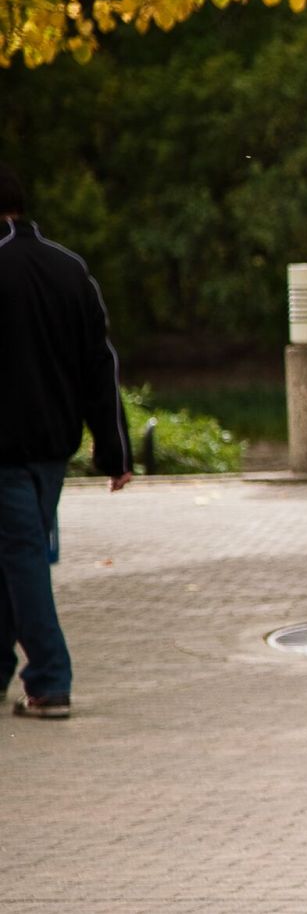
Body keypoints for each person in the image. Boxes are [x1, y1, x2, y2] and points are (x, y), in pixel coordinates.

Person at [0, 162, 133, 722]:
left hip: (6, 451)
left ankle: (50, 679)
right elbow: (98, 366)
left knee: (21, 559)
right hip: (53, 449)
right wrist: (114, 450)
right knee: (17, 558)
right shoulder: (69, 268)